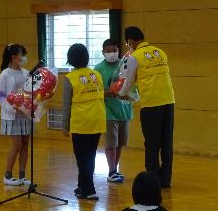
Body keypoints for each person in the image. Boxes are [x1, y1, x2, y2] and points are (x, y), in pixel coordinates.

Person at [120, 27, 175, 187]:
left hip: (151, 104)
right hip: (169, 101)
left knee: (151, 144)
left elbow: (128, 82)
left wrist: (122, 93)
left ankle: (153, 180)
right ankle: (165, 180)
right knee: (166, 143)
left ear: (130, 41)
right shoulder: (160, 52)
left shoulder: (134, 57)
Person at [62, 43, 106, 201]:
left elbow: (66, 106)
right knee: (90, 156)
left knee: (82, 158)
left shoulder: (70, 78)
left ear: (70, 60)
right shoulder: (97, 75)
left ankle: (89, 190)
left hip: (82, 123)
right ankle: (82, 187)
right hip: (98, 119)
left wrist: (64, 126)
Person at [94, 39, 133, 183]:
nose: (112, 53)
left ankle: (115, 170)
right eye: (108, 51)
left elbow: (132, 84)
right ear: (103, 52)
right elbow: (95, 92)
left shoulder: (125, 65)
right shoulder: (98, 69)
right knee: (111, 143)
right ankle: (111, 170)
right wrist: (110, 92)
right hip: (108, 111)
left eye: (114, 50)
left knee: (120, 143)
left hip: (124, 110)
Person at [0, 43, 31, 186]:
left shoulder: (26, 73)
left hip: (26, 114)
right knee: (17, 145)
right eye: (21, 55)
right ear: (13, 57)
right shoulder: (5, 74)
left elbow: (30, 92)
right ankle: (8, 176)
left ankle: (22, 176)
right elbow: (0, 97)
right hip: (12, 115)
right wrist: (12, 108)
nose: (24, 58)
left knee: (25, 145)